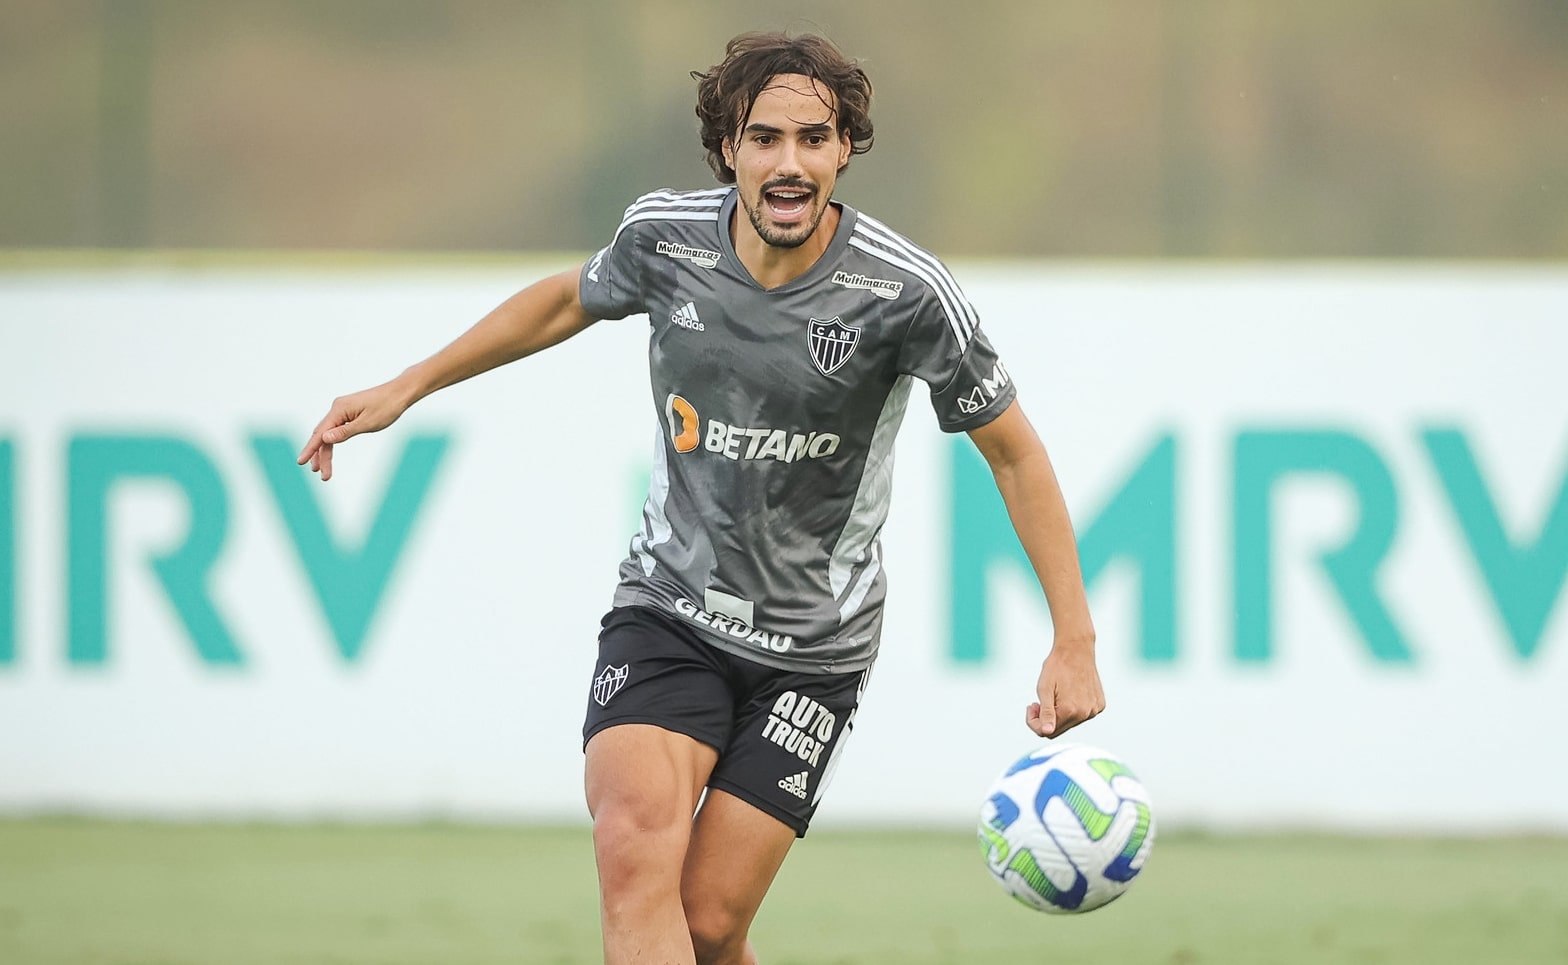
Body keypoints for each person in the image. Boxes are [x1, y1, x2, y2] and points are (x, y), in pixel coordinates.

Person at [297, 30, 1104, 965]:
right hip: (668, 612)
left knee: (713, 925)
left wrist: (1072, 639)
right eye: (764, 138)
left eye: (814, 138)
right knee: (635, 850)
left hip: (814, 649)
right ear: (728, 148)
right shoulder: (664, 238)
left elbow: (1013, 454)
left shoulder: (907, 294)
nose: (789, 162)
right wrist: (412, 383)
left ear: (846, 150)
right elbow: (567, 299)